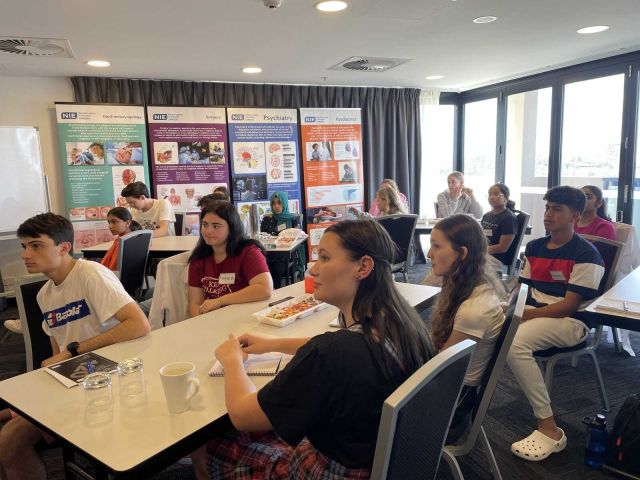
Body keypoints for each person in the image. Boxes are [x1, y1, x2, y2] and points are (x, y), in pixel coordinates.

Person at [191, 219, 433, 479]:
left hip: (325, 470)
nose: (313, 270)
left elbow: (242, 415)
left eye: (325, 258)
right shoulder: (400, 322)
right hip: (375, 460)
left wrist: (231, 360)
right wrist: (272, 343)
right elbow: (341, 346)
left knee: (208, 443)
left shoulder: (329, 353)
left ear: (363, 267)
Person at [0, 213, 150, 480]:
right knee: (6, 428)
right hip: (76, 380)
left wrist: (74, 350)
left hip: (110, 380)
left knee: (9, 442)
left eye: (36, 245)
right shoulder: (45, 295)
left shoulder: (91, 274)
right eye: (24, 246)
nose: (25, 254)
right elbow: (57, 354)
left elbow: (139, 324)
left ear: (64, 248)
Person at [507, 186, 604, 461]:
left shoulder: (586, 254)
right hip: (535, 312)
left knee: (514, 343)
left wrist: (523, 315)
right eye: (547, 207)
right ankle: (465, 403)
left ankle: (549, 429)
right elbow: (522, 288)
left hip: (571, 322)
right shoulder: (535, 247)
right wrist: (511, 305)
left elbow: (569, 306)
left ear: (575, 216)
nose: (548, 214)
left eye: (557, 209)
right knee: (480, 325)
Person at [427, 214, 505, 441]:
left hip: (448, 405)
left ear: (462, 253)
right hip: (450, 391)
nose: (429, 254)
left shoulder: (473, 310)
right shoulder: (471, 285)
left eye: (436, 246)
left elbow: (438, 369)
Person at [187, 201, 273, 318]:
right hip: (215, 320)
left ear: (232, 227)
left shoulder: (248, 252)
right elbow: (194, 304)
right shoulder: (198, 259)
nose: (208, 231)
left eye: (216, 226)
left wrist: (220, 301)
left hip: (249, 318)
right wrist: (201, 324)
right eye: (205, 224)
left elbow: (265, 289)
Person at [260, 192, 304, 287]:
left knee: (277, 266)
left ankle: (275, 290)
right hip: (268, 253)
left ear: (284, 203)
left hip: (286, 255)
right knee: (259, 264)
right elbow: (263, 236)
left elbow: (298, 238)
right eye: (273, 203)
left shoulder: (293, 219)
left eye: (279, 203)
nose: (276, 206)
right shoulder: (267, 219)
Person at [481, 183, 518, 266]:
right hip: (485, 254)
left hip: (497, 259)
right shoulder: (486, 215)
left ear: (505, 198)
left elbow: (502, 248)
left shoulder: (509, 218)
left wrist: (480, 250)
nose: (491, 197)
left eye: (496, 194)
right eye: (490, 194)